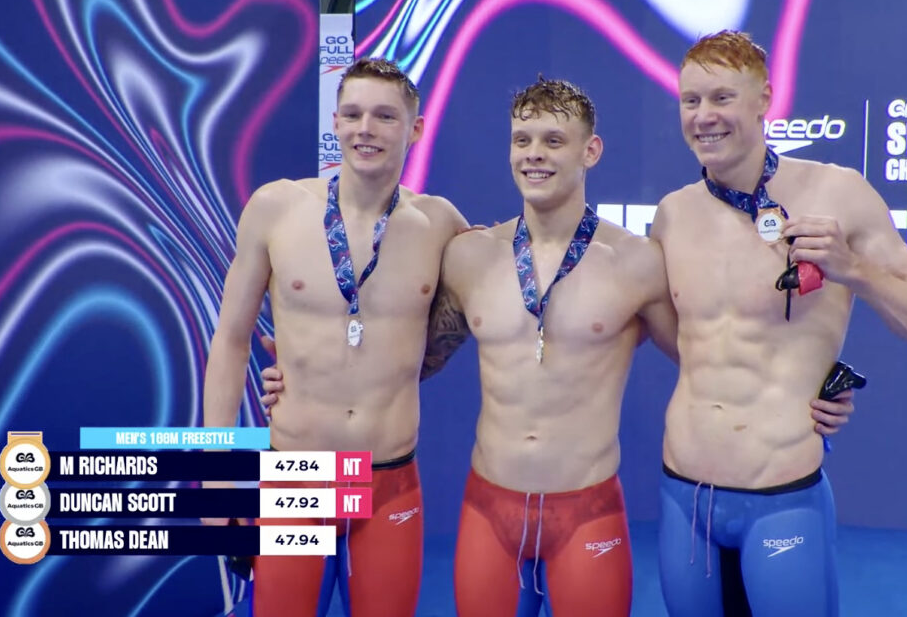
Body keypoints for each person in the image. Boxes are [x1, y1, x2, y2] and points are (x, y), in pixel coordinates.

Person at [262, 77, 856, 616]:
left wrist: (804, 390)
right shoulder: (469, 254)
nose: (534, 155)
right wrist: (311, 384)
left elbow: (713, 357)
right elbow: (407, 352)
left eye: (553, 140)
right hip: (484, 511)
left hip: (588, 511)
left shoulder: (638, 264)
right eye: (522, 140)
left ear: (589, 151)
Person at [653, 30, 907, 617]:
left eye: (722, 98)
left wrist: (853, 269)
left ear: (765, 97)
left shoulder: (836, 192)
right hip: (683, 497)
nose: (703, 117)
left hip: (782, 498)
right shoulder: (673, 214)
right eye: (690, 101)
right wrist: (808, 377)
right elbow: (690, 342)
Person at [201, 58, 467, 617]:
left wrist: (386, 367)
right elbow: (229, 341)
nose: (364, 128)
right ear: (336, 124)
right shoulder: (277, 208)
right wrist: (219, 472)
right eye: (352, 114)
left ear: (415, 128)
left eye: (384, 116)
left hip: (388, 480)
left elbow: (472, 321)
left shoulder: (440, 225)